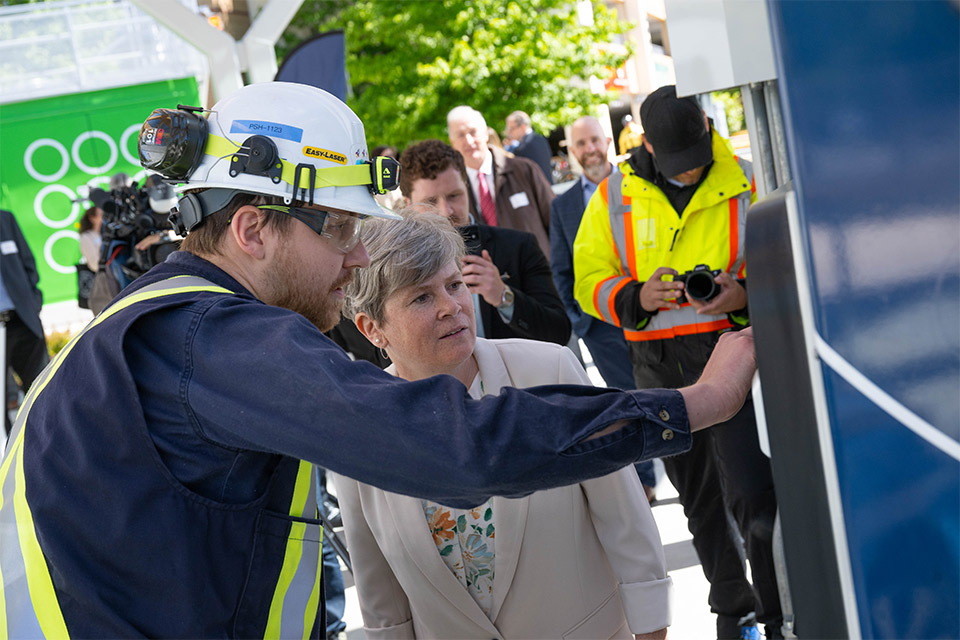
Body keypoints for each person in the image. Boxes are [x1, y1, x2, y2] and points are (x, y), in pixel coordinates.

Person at [0, 81, 757, 637]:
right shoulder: (216, 339)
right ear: (255, 230)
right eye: (335, 228)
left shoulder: (159, 327)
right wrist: (697, 402)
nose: (359, 253)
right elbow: (454, 447)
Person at [334, 212, 671, 639]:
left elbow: (626, 522)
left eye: (454, 284)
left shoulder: (549, 370)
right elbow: (380, 596)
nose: (450, 307)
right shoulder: (355, 427)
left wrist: (652, 630)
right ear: (372, 329)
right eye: (421, 297)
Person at [573, 85, 782, 639]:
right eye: (678, 166)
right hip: (658, 364)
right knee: (699, 500)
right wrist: (636, 297)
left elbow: (787, 263)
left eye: (697, 161)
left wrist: (742, 294)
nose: (689, 174)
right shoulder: (614, 194)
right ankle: (733, 613)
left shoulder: (747, 178)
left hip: (732, 350)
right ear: (648, 146)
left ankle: (773, 610)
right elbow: (587, 279)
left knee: (752, 490)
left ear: (709, 130)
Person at [550, 116, 657, 501]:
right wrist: (582, 323)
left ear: (608, 141)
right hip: (601, 326)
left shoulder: (638, 187)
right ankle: (645, 479)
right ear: (572, 151)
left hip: (651, 314)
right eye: (581, 144)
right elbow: (561, 269)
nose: (589, 149)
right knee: (625, 399)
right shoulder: (562, 206)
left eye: (594, 140)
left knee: (660, 390)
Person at [400, 139, 569, 345]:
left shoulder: (518, 246)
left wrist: (504, 296)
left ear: (466, 187)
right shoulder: (396, 265)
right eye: (430, 202)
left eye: (454, 196)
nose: (446, 211)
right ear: (408, 204)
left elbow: (559, 332)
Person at [447, 106, 554, 259]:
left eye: (472, 132)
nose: (468, 141)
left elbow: (555, 222)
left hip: (538, 274)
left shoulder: (524, 171)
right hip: (486, 279)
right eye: (461, 135)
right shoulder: (451, 190)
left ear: (485, 132)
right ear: (453, 142)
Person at [0, 209, 49, 438]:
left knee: (42, 388)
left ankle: (48, 446)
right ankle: (11, 456)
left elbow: (28, 263)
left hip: (23, 320)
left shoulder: (5, 218)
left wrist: (33, 303)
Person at [504, 110, 554, 184]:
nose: (508, 132)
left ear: (522, 127)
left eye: (511, 129)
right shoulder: (541, 138)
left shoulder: (522, 148)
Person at [78, 206, 103, 271]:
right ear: (92, 218)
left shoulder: (105, 233)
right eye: (101, 215)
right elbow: (94, 264)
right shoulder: (86, 237)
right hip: (103, 275)